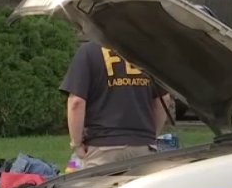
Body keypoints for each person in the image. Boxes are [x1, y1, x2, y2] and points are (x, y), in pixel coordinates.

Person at [60, 41, 170, 169]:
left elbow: (76, 102)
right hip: (142, 146)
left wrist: (76, 144)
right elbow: (164, 99)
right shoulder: (147, 52)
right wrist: (150, 135)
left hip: (102, 147)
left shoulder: (89, 51)